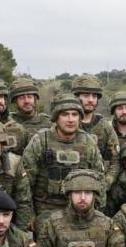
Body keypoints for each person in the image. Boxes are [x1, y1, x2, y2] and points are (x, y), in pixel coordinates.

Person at [21, 94, 107, 226]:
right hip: (46, 208)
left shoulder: (88, 142)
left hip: (80, 209)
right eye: (65, 114)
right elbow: (25, 183)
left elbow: (99, 181)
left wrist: (97, 214)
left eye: (74, 114)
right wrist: (29, 215)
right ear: (56, 117)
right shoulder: (41, 140)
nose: (71, 119)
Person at [72, 74, 120, 166]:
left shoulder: (105, 126)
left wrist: (108, 180)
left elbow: (115, 160)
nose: (91, 100)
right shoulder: (67, 124)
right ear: (76, 97)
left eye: (94, 96)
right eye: (86, 95)